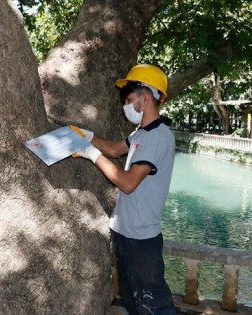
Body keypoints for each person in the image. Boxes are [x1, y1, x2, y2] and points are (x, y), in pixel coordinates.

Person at [71, 64, 177, 315]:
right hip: (128, 234)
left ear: (146, 97)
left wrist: (90, 154)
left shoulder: (157, 136)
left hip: (141, 239)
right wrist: (87, 136)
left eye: (129, 100)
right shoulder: (142, 132)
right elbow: (116, 149)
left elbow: (128, 183)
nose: (126, 106)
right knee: (134, 304)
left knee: (153, 307)